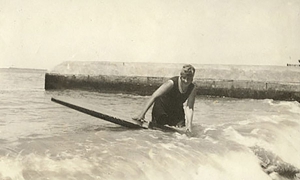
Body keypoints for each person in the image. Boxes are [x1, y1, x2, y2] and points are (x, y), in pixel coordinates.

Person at [133, 64, 197, 133]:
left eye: (189, 79)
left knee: (181, 132)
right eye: (184, 78)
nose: (186, 81)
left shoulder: (192, 88)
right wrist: (142, 114)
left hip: (176, 110)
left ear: (192, 79)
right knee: (160, 132)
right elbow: (154, 96)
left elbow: (189, 107)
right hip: (161, 108)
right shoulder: (171, 83)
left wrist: (189, 125)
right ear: (181, 76)